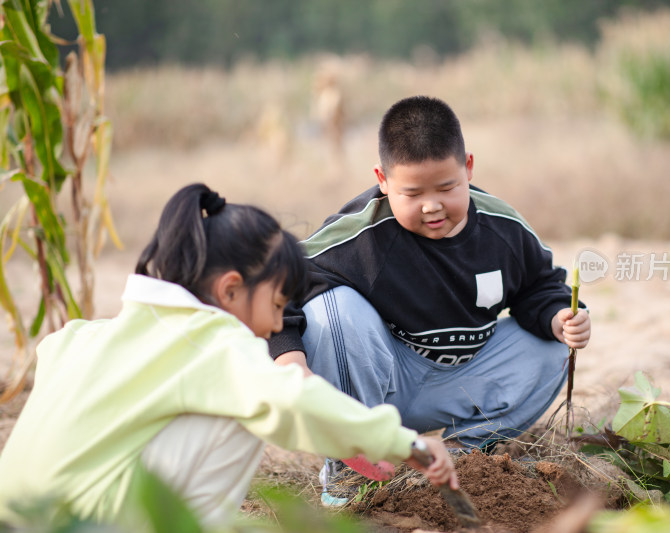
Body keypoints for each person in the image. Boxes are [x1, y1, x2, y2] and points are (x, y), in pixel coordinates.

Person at [0, 183, 456, 527]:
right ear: (231, 288)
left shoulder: (84, 337)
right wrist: (405, 443)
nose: (277, 326)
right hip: (84, 525)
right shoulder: (211, 343)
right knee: (243, 410)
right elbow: (290, 400)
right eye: (277, 305)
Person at [270, 96, 591, 455]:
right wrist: (290, 361)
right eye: (412, 192)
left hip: (461, 380)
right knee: (333, 307)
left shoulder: (503, 229)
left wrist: (560, 318)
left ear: (468, 168)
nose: (432, 205)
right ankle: (354, 465)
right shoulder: (362, 235)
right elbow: (278, 284)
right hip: (380, 382)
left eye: (446, 188)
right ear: (383, 180)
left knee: (552, 347)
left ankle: (465, 459)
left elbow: (541, 286)